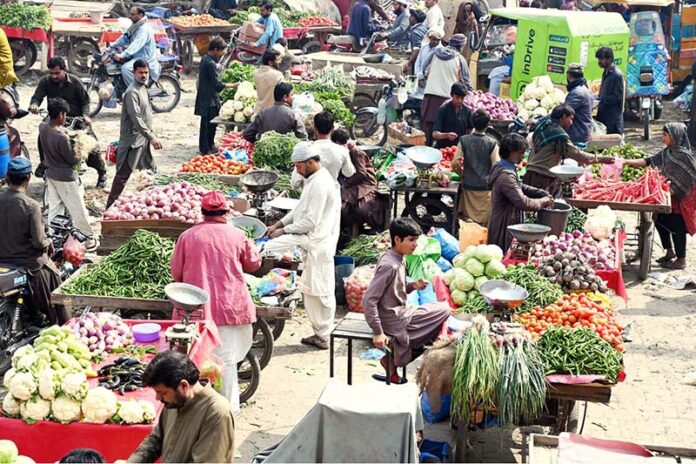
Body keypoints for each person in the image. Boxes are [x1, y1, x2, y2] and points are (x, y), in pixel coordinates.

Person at [171, 190, 261, 412]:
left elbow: (176, 274)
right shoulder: (237, 235)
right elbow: (253, 264)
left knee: (195, 363)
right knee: (227, 364)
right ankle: (227, 414)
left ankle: (196, 413)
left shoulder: (186, 237)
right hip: (231, 307)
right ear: (226, 212)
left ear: (203, 213)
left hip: (197, 310)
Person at [264, 143, 340, 350]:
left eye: (298, 166)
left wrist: (284, 231)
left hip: (315, 241)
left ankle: (323, 335)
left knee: (320, 290)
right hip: (308, 239)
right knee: (312, 289)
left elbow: (310, 222)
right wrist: (279, 224)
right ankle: (320, 334)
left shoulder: (321, 183)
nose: (297, 171)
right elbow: (299, 210)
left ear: (310, 162)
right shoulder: (312, 180)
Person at [362, 218, 450, 384]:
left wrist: (413, 286)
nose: (415, 244)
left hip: (400, 311)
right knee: (444, 310)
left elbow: (394, 290)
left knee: (438, 312)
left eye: (416, 239)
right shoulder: (390, 265)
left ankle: (392, 362)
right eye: (411, 240)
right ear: (397, 239)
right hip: (392, 317)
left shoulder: (399, 258)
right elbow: (369, 300)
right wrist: (377, 332)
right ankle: (393, 358)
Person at [128, 351, 235, 463]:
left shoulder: (216, 412)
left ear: (183, 386)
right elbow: (156, 439)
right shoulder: (174, 402)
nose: (157, 398)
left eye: (162, 393)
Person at [0, 157, 66, 325]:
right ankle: (61, 322)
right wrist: (48, 242)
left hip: (2, 258)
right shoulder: (31, 205)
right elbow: (38, 241)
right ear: (28, 178)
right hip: (26, 262)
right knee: (55, 278)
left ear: (7, 177)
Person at [622, 123, 696, 270]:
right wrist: (624, 161)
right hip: (667, 194)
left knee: (677, 226)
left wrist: (667, 191)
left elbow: (687, 179)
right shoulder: (667, 152)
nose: (663, 138)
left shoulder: (684, 156)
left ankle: (681, 260)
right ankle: (669, 251)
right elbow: (647, 161)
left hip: (681, 197)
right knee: (659, 219)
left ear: (674, 137)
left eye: (665, 135)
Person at [29, 56, 107, 188]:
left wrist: (86, 116)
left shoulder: (75, 82)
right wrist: (34, 105)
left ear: (64, 70)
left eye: (57, 73)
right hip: (55, 118)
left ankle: (102, 172)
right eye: (51, 73)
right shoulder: (45, 82)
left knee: (90, 147)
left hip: (76, 119)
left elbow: (85, 101)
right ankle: (44, 162)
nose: (54, 76)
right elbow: (37, 97)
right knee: (43, 135)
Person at [39, 98, 97, 250]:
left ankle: (53, 237)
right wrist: (81, 151)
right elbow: (72, 161)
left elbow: (54, 131)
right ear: (61, 115)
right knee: (78, 209)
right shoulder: (61, 138)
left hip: (51, 175)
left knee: (55, 208)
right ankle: (89, 239)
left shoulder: (43, 127)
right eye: (65, 115)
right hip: (66, 178)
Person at [106, 59, 162, 209]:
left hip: (142, 140)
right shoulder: (132, 92)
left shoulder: (143, 88)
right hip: (132, 141)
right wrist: (151, 137)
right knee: (123, 176)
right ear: (134, 73)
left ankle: (149, 205)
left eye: (146, 72)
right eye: (140, 72)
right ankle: (110, 208)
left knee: (149, 173)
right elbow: (136, 118)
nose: (144, 75)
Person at [523, 104, 613, 195]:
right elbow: (579, 156)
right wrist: (602, 159)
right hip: (542, 178)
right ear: (564, 117)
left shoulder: (544, 125)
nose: (571, 122)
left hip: (530, 173)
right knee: (543, 206)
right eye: (571, 119)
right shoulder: (558, 135)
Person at [488, 134, 554, 250]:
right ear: (511, 152)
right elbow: (524, 203)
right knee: (502, 254)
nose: (523, 156)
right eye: (520, 152)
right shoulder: (505, 176)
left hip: (506, 219)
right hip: (503, 224)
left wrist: (539, 192)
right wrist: (544, 201)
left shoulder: (505, 167)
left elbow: (519, 186)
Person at [332, 128, 388, 241]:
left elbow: (362, 174)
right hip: (354, 181)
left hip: (365, 182)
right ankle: (351, 229)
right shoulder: (345, 150)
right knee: (344, 202)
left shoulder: (354, 151)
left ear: (337, 143)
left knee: (353, 203)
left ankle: (355, 229)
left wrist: (346, 184)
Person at [421, 34, 471, 146]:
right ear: (461, 47)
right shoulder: (460, 59)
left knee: (428, 129)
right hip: (448, 98)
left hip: (430, 96)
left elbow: (424, 69)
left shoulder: (435, 53)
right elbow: (467, 80)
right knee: (447, 131)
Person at [452, 108, 499, 225]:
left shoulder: (464, 140)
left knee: (468, 220)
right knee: (483, 222)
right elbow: (496, 166)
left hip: (468, 187)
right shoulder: (492, 143)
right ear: (488, 124)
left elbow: (455, 163)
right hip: (485, 189)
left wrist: (462, 174)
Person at [291, 111, 354, 189]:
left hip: (311, 194)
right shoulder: (342, 151)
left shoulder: (305, 150)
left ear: (314, 128)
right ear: (332, 128)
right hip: (333, 194)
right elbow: (349, 173)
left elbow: (295, 183)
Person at [195, 38, 236, 155]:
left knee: (206, 124)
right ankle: (207, 148)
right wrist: (233, 85)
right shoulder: (210, 63)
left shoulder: (205, 59)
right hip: (209, 99)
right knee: (209, 125)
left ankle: (206, 146)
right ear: (216, 49)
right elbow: (216, 84)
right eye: (221, 52)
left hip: (205, 96)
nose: (221, 54)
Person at [111, 7, 161, 87]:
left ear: (140, 15)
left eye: (133, 14)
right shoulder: (135, 26)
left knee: (126, 69)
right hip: (136, 56)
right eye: (130, 14)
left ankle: (136, 90)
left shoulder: (144, 29)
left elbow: (136, 45)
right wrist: (112, 45)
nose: (130, 16)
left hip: (144, 58)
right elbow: (125, 37)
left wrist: (123, 54)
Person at [243, 82, 307, 142]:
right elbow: (303, 137)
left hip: (264, 151)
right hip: (287, 152)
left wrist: (259, 140)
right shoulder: (293, 115)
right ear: (285, 97)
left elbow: (247, 134)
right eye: (292, 95)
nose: (294, 98)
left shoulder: (262, 113)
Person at [432, 83, 471, 149]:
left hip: (460, 149)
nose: (459, 100)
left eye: (462, 98)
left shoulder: (467, 111)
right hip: (444, 149)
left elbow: (471, 129)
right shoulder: (443, 110)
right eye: (457, 97)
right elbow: (435, 134)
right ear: (452, 95)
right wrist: (447, 135)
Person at [595, 47, 624, 135]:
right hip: (603, 115)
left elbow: (618, 97)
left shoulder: (616, 74)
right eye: (598, 59)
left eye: (601, 59)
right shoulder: (606, 72)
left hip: (612, 118)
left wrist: (601, 99)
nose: (599, 62)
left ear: (609, 59)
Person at [564, 63, 594, 147]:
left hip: (576, 136)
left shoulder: (576, 93)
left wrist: (538, 121)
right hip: (583, 133)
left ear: (569, 76)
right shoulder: (586, 89)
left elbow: (562, 111)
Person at [413, 28, 443, 99]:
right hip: (420, 78)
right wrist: (419, 75)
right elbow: (418, 62)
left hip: (432, 82)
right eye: (434, 39)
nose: (435, 42)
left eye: (438, 40)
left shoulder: (441, 51)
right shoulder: (424, 48)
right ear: (429, 38)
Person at [253, 49, 283, 113]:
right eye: (278, 60)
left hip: (258, 111)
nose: (280, 61)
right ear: (270, 63)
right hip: (272, 112)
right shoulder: (277, 75)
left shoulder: (255, 73)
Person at [405, 9, 428, 74]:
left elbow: (417, 50)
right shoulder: (424, 27)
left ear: (415, 19)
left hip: (420, 60)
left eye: (411, 16)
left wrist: (408, 63)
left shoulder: (415, 32)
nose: (409, 18)